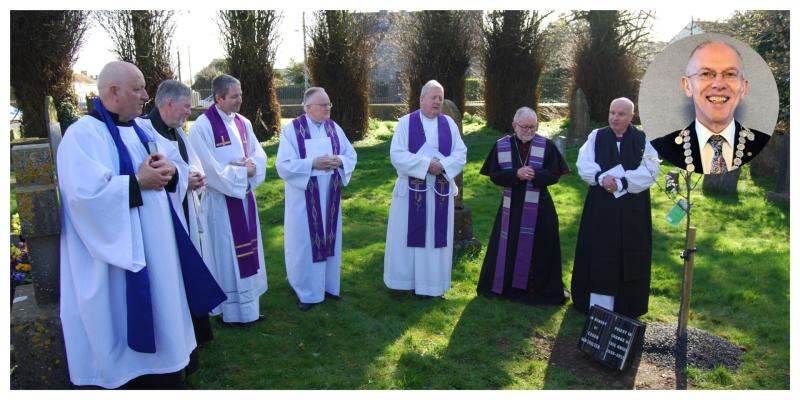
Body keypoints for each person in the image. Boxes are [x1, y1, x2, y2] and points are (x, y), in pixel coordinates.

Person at [57, 61, 224, 389]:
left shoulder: (142, 128)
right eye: (138, 88)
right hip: (118, 262)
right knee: (121, 326)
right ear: (112, 91)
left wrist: (172, 172)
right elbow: (84, 197)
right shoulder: (83, 135)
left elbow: (174, 165)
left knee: (166, 317)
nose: (146, 95)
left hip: (158, 252)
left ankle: (168, 373)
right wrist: (136, 183)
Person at [137, 79, 213, 374]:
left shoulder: (178, 131)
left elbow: (191, 164)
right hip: (165, 219)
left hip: (186, 212)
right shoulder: (143, 130)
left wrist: (195, 177)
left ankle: (196, 335)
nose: (188, 114)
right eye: (185, 107)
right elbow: (153, 172)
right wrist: (184, 181)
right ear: (168, 103)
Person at [189, 74, 268, 325]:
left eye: (240, 94)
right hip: (221, 203)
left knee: (249, 253)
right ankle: (231, 312)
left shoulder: (243, 123)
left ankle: (250, 309)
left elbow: (259, 155)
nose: (239, 100)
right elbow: (207, 170)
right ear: (219, 98)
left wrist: (252, 166)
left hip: (244, 199)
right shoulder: (202, 127)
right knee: (226, 256)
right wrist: (242, 171)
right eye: (234, 96)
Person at [571, 97, 660, 319]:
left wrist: (621, 182)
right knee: (598, 249)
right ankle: (595, 304)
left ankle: (627, 304)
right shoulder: (596, 136)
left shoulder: (643, 139)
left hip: (633, 210)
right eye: (612, 113)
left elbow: (650, 170)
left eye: (621, 114)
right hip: (601, 207)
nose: (615, 118)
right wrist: (602, 178)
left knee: (630, 252)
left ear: (632, 116)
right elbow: (584, 164)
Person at [476, 107, 570, 305]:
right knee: (507, 248)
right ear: (514, 125)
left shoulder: (546, 145)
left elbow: (554, 174)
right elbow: (495, 175)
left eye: (533, 127)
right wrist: (516, 175)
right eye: (524, 127)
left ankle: (536, 291)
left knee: (541, 248)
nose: (528, 131)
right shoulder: (501, 145)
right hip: (512, 207)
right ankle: (507, 287)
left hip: (540, 207)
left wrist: (535, 175)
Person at [383, 80, 467, 298]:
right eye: (433, 97)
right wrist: (425, 165)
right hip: (410, 193)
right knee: (407, 238)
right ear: (421, 99)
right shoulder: (405, 123)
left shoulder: (449, 124)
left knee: (435, 239)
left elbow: (460, 154)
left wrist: (442, 166)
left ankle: (433, 285)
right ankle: (405, 282)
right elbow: (397, 155)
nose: (437, 101)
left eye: (440, 97)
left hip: (439, 191)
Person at [276, 87, 357, 311]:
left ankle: (329, 286)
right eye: (323, 105)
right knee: (304, 244)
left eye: (329, 104)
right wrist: (313, 164)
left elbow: (351, 155)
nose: (327, 108)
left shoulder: (334, 128)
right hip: (304, 201)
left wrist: (338, 160)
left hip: (330, 197)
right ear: (308, 107)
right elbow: (283, 165)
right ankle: (307, 291)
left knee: (330, 241)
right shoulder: (293, 130)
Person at [651, 40, 770, 174]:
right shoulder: (664, 146)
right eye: (706, 74)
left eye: (730, 74)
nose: (718, 84)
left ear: (743, 88)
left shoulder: (763, 143)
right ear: (687, 86)